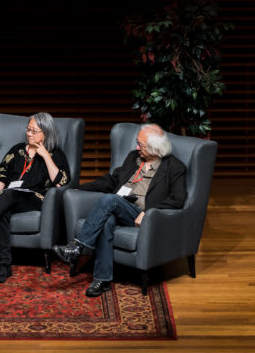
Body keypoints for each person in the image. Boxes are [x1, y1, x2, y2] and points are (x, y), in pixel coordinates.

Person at [51, 123, 186, 297]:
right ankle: (102, 280)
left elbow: (178, 199)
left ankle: (77, 247)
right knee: (107, 221)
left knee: (110, 200)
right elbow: (111, 180)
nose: (137, 147)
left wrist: (149, 213)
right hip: (118, 208)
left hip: (140, 216)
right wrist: (82, 189)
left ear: (155, 148)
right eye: (137, 143)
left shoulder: (174, 167)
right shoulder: (133, 158)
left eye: (141, 145)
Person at [0, 112, 70, 283]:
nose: (29, 133)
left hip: (35, 199)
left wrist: (45, 155)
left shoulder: (55, 154)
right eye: (28, 129)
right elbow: (1, 177)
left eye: (34, 131)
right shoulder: (16, 150)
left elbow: (60, 181)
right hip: (9, 197)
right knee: (3, 208)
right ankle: (3, 266)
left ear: (45, 133)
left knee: (9, 194)